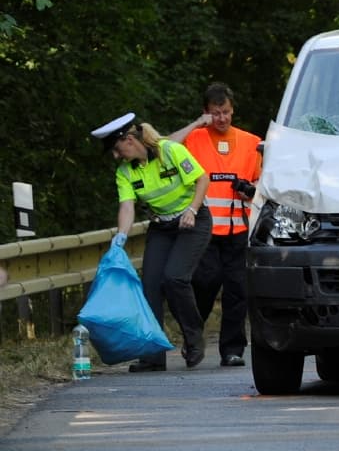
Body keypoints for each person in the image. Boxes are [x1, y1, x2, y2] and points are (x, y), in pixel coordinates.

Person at [91, 113, 212, 372]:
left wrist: (192, 210)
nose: (116, 156)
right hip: (162, 226)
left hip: (193, 219)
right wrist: (120, 236)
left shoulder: (170, 150)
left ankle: (194, 337)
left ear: (129, 139)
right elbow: (127, 206)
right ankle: (153, 355)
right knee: (150, 285)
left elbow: (202, 179)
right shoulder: (125, 172)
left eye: (116, 148)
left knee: (175, 278)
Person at [169, 83, 262, 367]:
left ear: (233, 111)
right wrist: (198, 124)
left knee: (238, 290)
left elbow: (265, 186)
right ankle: (193, 337)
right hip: (204, 230)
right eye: (215, 113)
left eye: (226, 112)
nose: (222, 118)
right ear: (206, 113)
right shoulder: (195, 139)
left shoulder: (251, 143)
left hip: (239, 229)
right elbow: (165, 146)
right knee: (204, 285)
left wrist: (250, 189)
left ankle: (232, 350)